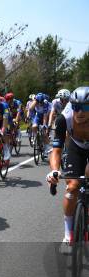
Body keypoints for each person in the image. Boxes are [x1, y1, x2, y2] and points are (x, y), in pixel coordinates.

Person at [46, 86, 89, 243]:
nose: (80, 112)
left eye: (85, 107)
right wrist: (54, 171)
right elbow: (56, 150)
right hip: (76, 146)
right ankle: (68, 233)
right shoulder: (64, 118)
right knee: (72, 187)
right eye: (76, 107)